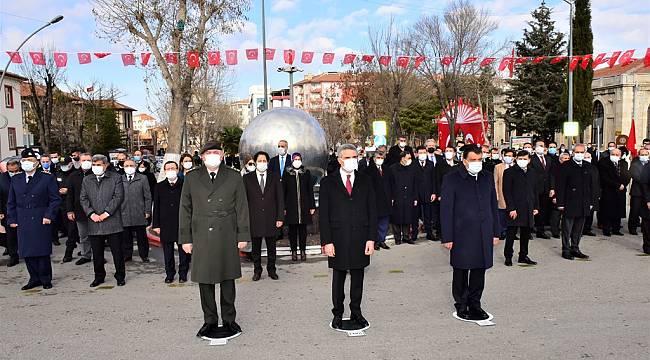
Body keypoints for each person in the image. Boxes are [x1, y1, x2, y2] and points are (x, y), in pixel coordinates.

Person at [179, 141, 250, 337]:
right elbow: (185, 209)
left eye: (216, 152)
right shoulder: (192, 177)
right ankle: (209, 320)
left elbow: (242, 208)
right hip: (201, 234)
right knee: (205, 280)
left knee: (228, 279)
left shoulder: (234, 176)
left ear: (222, 155)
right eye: (208, 152)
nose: (212, 155)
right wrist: (186, 239)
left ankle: (229, 319)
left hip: (227, 232)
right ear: (202, 156)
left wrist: (242, 235)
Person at [319, 144, 377, 330]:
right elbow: (323, 215)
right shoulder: (328, 182)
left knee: (358, 277)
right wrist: (326, 241)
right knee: (339, 277)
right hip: (338, 238)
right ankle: (337, 313)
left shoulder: (366, 180)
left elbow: (372, 211)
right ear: (340, 160)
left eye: (355, 156)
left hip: (361, 236)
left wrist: (371, 238)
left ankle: (356, 312)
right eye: (348, 157)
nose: (353, 160)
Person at [440, 145, 500, 321]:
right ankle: (461, 303)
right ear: (464, 160)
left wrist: (496, 231)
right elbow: (446, 209)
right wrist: (448, 236)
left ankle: (475, 303)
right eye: (473, 160)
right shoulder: (452, 178)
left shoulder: (487, 177)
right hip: (461, 232)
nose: (477, 163)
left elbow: (492, 206)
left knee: (479, 269)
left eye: (479, 160)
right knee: (461, 269)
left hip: (483, 231)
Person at [7, 148, 62, 290]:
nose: (26, 163)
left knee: (41, 250)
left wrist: (49, 215)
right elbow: (11, 201)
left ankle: (45, 278)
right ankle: (34, 278)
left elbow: (55, 200)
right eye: (24, 160)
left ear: (37, 163)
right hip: (22, 218)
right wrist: (12, 218)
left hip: (40, 217)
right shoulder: (16, 179)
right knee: (27, 251)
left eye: (30, 160)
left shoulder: (46, 177)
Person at [80, 154, 126, 287]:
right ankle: (99, 276)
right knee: (97, 253)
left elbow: (118, 197)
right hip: (94, 222)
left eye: (98, 165)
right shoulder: (87, 180)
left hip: (112, 222)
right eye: (94, 165)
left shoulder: (115, 178)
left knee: (117, 251)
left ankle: (120, 276)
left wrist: (106, 213)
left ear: (105, 165)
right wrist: (91, 214)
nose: (96, 167)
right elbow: (83, 198)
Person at [243, 151, 284, 280]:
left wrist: (280, 217)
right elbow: (244, 200)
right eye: (259, 161)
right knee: (256, 248)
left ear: (267, 162)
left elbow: (280, 198)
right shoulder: (247, 178)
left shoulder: (274, 176)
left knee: (272, 247)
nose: (262, 163)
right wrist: (245, 219)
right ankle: (257, 270)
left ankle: (272, 269)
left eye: (264, 161)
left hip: (271, 217)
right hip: (254, 218)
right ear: (255, 162)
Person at [153, 161, 190, 283]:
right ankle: (169, 273)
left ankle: (183, 273)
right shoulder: (159, 186)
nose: (170, 170)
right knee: (167, 252)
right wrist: (156, 225)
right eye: (167, 168)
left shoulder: (185, 185)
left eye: (172, 168)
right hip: (165, 223)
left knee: (183, 250)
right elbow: (156, 206)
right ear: (164, 170)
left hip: (182, 223)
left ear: (178, 169)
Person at [555, 144, 593, 260]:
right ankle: (566, 249)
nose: (579, 154)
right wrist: (560, 203)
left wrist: (591, 201)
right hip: (569, 201)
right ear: (572, 153)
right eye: (577, 152)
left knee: (578, 228)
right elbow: (560, 186)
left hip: (583, 202)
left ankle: (575, 248)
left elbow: (591, 185)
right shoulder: (566, 166)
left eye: (582, 152)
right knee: (567, 228)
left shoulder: (588, 166)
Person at [502, 150, 539, 266]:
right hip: (515, 208)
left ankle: (523, 256)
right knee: (511, 234)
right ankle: (508, 256)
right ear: (516, 159)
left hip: (528, 207)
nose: (522, 161)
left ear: (529, 160)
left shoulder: (532, 172)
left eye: (525, 159)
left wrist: (536, 206)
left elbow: (535, 191)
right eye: (520, 159)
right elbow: (506, 191)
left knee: (525, 234)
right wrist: (511, 208)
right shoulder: (509, 172)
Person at [283, 152, 315, 261]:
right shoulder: (287, 173)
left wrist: (312, 206)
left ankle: (302, 250)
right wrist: (284, 207)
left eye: (299, 159)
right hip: (291, 206)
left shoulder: (306, 172)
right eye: (295, 159)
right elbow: (284, 190)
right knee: (292, 230)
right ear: (292, 160)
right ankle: (293, 251)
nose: (297, 161)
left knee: (303, 230)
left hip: (304, 205)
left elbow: (309, 190)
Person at [121, 159, 152, 263]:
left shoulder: (143, 178)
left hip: (139, 212)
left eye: (131, 165)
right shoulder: (120, 179)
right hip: (124, 212)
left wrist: (147, 210)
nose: (129, 167)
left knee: (142, 237)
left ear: (135, 166)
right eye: (127, 165)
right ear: (123, 167)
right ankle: (127, 255)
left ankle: (144, 255)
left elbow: (147, 196)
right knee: (126, 237)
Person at [66, 153, 95, 265]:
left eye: (88, 160)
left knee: (97, 235)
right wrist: (70, 210)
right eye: (84, 160)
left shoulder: (96, 174)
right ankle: (86, 255)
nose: (86, 162)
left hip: (95, 211)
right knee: (83, 235)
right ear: (80, 161)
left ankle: (98, 255)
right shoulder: (73, 176)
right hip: (79, 211)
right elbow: (70, 195)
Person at [598, 147, 631, 236]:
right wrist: (617, 185)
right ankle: (607, 229)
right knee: (608, 210)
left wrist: (624, 184)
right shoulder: (604, 162)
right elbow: (604, 177)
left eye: (617, 155)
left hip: (621, 190)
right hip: (609, 190)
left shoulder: (623, 163)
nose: (615, 156)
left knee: (618, 210)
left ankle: (616, 229)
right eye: (613, 154)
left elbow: (627, 175)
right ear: (610, 154)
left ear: (620, 156)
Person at [364, 150, 391, 250]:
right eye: (378, 158)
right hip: (374, 200)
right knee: (374, 222)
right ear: (374, 159)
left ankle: (382, 240)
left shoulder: (387, 169)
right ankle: (374, 241)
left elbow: (390, 184)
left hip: (386, 199)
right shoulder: (368, 170)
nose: (380, 160)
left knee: (384, 222)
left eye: (382, 158)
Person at [389, 151, 418, 245]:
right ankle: (397, 238)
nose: (410, 160)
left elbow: (415, 184)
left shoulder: (412, 168)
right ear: (402, 158)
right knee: (396, 217)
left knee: (407, 217)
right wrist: (391, 197)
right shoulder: (393, 168)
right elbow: (390, 184)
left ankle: (406, 237)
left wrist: (415, 198)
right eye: (408, 158)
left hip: (409, 196)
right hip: (397, 196)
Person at [530, 139, 554, 239]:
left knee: (543, 210)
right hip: (534, 188)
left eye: (542, 145)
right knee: (532, 210)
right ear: (534, 147)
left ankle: (541, 230)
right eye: (539, 145)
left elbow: (551, 174)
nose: (541, 147)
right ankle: (529, 230)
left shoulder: (548, 159)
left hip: (545, 189)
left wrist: (552, 188)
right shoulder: (531, 159)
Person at [56, 156, 79, 262]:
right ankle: (82, 247)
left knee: (72, 230)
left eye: (66, 164)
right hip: (63, 205)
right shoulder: (58, 173)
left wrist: (68, 190)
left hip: (75, 205)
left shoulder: (76, 174)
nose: (64, 167)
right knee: (69, 228)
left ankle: (68, 253)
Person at [412, 145, 436, 241]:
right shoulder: (413, 164)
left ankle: (429, 233)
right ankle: (414, 234)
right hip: (416, 194)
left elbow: (433, 179)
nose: (422, 155)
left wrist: (434, 192)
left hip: (428, 193)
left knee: (428, 215)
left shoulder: (430, 164)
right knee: (415, 215)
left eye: (424, 152)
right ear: (417, 154)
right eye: (420, 153)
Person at [1, 160, 21, 267]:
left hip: (23, 209)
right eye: (11, 171)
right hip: (8, 210)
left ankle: (26, 252)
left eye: (16, 170)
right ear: (7, 169)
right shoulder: (2, 178)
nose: (14, 173)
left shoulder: (23, 176)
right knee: (11, 235)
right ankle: (13, 256)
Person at [494, 149, 515, 240]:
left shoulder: (516, 167)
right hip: (502, 194)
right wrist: (496, 195)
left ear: (514, 157)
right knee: (502, 214)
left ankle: (512, 232)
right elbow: (495, 182)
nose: (508, 157)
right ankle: (502, 231)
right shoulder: (498, 167)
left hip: (514, 195)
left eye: (510, 156)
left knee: (512, 214)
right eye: (506, 155)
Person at [549, 152, 571, 238]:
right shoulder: (555, 168)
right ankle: (555, 231)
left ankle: (566, 231)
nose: (566, 160)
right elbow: (553, 181)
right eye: (564, 158)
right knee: (556, 214)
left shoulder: (571, 168)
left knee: (567, 215)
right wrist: (554, 195)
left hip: (568, 195)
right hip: (557, 193)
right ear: (560, 159)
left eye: (568, 159)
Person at [628, 149, 649, 235]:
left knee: (646, 213)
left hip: (647, 193)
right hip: (637, 192)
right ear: (639, 155)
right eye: (642, 154)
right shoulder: (635, 165)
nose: (644, 156)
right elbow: (637, 177)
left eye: (646, 154)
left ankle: (645, 228)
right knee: (635, 211)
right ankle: (632, 228)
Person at [582, 151, 600, 236]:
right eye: (585, 157)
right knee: (582, 213)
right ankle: (580, 229)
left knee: (591, 212)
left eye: (589, 157)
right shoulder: (580, 167)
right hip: (583, 193)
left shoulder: (594, 168)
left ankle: (587, 228)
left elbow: (597, 181)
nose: (587, 159)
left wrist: (598, 193)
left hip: (593, 193)